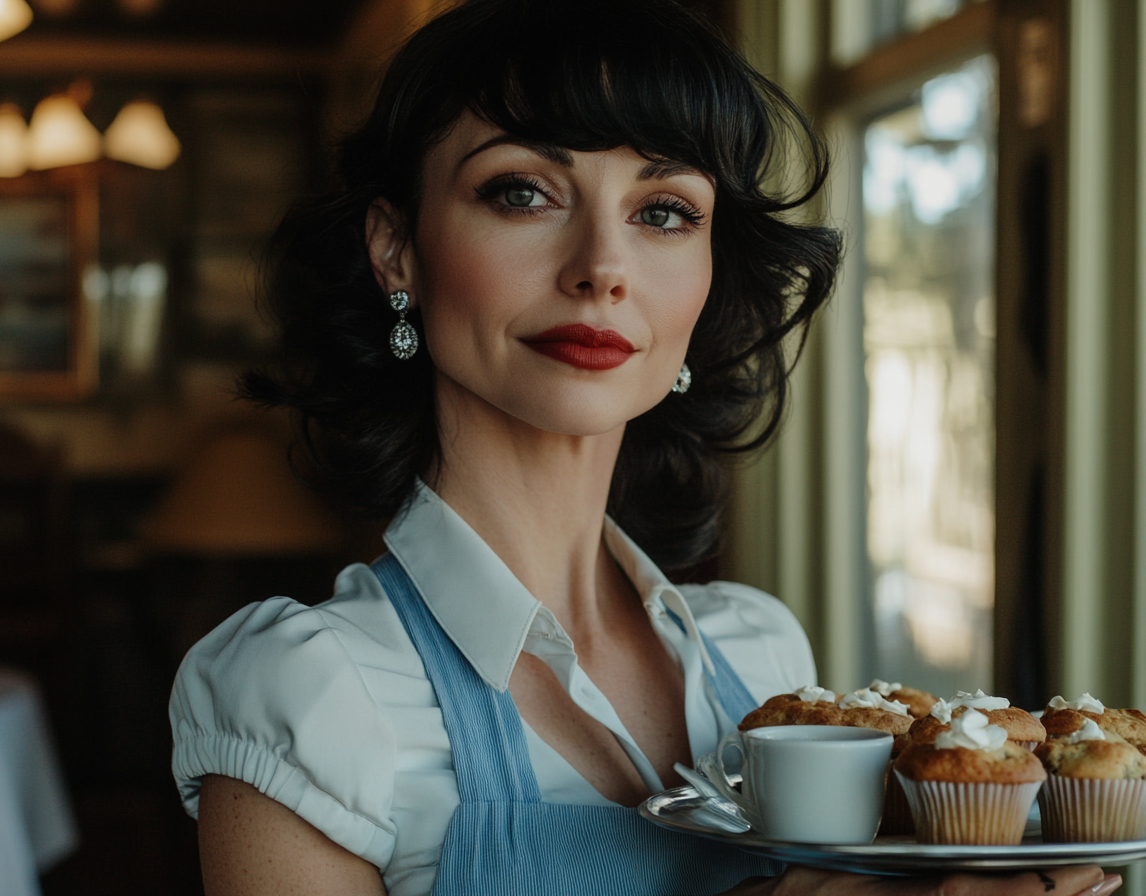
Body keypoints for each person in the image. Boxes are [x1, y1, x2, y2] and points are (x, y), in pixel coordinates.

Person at [169, 1, 1114, 894]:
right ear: (396, 249)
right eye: (523, 192)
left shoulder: (766, 657)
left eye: (664, 210)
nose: (602, 270)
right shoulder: (307, 694)